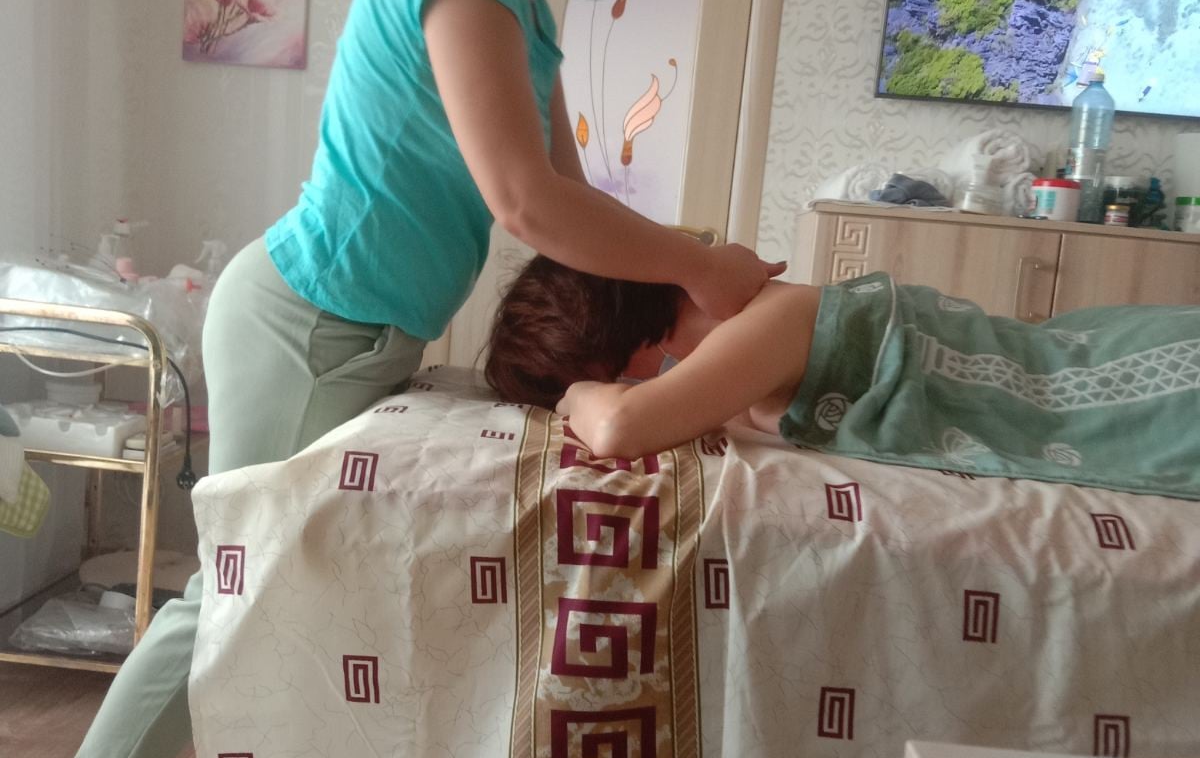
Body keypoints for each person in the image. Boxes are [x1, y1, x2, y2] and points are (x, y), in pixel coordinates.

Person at [34, 0, 785, 758]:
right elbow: (527, 205)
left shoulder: (527, 15)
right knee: (234, 591)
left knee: (303, 588)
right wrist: (702, 270)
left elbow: (575, 201)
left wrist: (666, 320)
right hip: (306, 324)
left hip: (355, 333)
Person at [484, 254, 1200, 501]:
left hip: (1107, 372)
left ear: (622, 360)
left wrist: (576, 395)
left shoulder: (770, 322)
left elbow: (620, 428)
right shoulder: (737, 358)